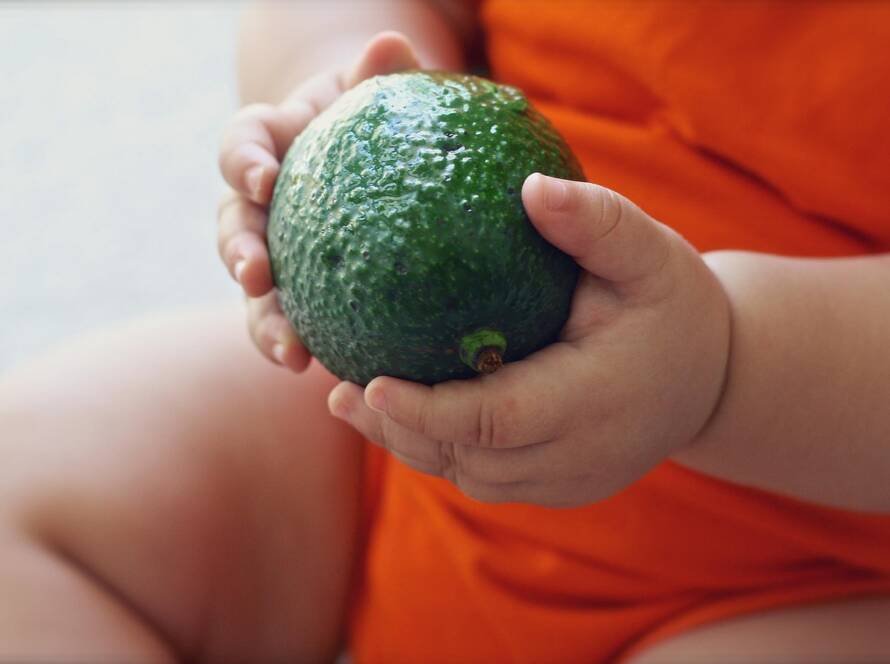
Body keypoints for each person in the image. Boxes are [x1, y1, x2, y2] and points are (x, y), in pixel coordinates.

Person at [2, 1, 889, 662]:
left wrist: (721, 364)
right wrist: (341, 94)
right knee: (22, 490)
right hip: (388, 429)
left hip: (786, 562)